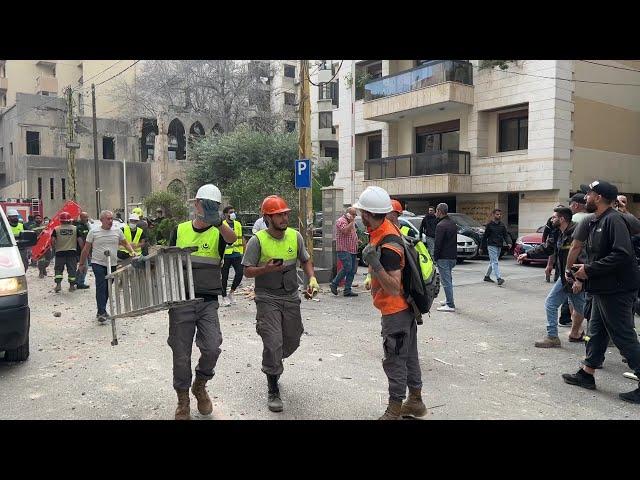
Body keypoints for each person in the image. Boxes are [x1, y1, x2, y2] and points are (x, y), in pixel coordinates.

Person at [561, 180, 640, 404]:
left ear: (598, 197)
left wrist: (590, 269)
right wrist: (581, 270)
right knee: (595, 331)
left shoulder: (614, 220)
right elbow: (595, 255)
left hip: (617, 289)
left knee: (623, 335)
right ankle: (587, 373)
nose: (585, 197)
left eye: (589, 194)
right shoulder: (597, 220)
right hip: (602, 288)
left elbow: (622, 254)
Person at [166, 184, 237, 420]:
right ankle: (183, 399)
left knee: (212, 346)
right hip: (181, 300)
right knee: (181, 353)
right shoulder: (180, 229)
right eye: (203, 204)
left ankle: (201, 383)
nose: (205, 208)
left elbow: (232, 237)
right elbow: (166, 259)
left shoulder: (219, 231)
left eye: (212, 205)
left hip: (207, 300)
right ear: (195, 204)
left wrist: (217, 220)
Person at [242, 195, 318, 413]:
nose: (285, 217)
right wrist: (265, 269)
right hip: (267, 298)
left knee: (292, 339)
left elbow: (305, 260)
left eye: (285, 213)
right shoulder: (257, 241)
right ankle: (273, 386)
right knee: (273, 341)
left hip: (291, 297)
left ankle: (274, 361)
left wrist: (311, 279)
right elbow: (247, 271)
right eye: (279, 215)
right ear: (268, 217)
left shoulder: (295, 237)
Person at [355, 186, 426, 420]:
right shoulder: (385, 227)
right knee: (410, 355)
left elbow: (393, 286)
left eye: (361, 211)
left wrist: (374, 264)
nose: (358, 215)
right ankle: (415, 401)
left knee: (395, 359)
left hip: (396, 310)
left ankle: (394, 409)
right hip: (406, 307)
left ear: (367, 213)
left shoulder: (388, 243)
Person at [519, 207, 586, 347]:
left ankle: (609, 335)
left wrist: (579, 280)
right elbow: (547, 247)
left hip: (576, 278)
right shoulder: (558, 233)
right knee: (552, 304)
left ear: (562, 219)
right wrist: (528, 254)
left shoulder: (576, 233)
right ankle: (553, 337)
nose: (552, 219)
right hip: (565, 278)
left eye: (554, 217)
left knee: (587, 310)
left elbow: (584, 258)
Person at [77, 210, 137, 324]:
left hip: (112, 264)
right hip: (98, 263)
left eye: (111, 218)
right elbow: (86, 249)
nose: (110, 221)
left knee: (107, 287)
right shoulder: (94, 232)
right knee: (101, 285)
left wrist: (132, 252)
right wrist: (81, 264)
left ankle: (101, 310)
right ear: (101, 220)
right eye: (108, 219)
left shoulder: (117, 231)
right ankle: (101, 312)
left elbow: (125, 243)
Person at [329, 206, 359, 297]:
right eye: (353, 214)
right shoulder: (341, 221)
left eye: (355, 215)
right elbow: (345, 231)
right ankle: (334, 283)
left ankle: (347, 290)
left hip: (352, 249)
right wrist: (352, 222)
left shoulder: (351, 222)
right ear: (348, 213)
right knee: (347, 267)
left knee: (352, 270)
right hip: (343, 249)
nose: (354, 216)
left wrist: (356, 240)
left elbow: (352, 233)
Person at [220, 205, 246, 307]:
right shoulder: (221, 225)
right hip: (225, 255)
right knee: (224, 277)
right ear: (226, 214)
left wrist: (244, 251)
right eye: (231, 212)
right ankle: (224, 296)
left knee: (240, 273)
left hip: (236, 253)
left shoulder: (238, 224)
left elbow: (242, 238)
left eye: (233, 211)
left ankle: (231, 292)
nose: (233, 214)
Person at [434, 203, 458, 312]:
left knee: (446, 281)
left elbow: (438, 244)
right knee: (449, 280)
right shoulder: (453, 223)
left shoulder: (441, 225)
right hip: (452, 256)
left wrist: (435, 257)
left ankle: (450, 304)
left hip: (443, 257)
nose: (435, 213)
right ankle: (449, 299)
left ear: (439, 211)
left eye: (436, 211)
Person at [50, 211, 79, 293]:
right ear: (70, 220)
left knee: (58, 270)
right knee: (72, 269)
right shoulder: (75, 228)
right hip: (72, 252)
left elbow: (52, 241)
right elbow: (80, 240)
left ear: (60, 220)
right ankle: (72, 286)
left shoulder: (56, 229)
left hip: (60, 252)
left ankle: (58, 285)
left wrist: (54, 248)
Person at [481, 208, 512, 286]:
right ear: (493, 215)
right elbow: (485, 237)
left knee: (493, 262)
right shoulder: (489, 225)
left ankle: (487, 276)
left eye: (500, 214)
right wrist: (481, 247)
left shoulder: (502, 225)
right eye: (497, 214)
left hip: (499, 245)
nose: (499, 215)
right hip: (491, 245)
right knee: (495, 262)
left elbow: (505, 235)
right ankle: (499, 278)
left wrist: (509, 242)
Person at [73, 212, 91, 289]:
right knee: (84, 266)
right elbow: (80, 241)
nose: (86, 219)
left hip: (85, 249)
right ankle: (80, 283)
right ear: (81, 217)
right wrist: (85, 252)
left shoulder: (86, 226)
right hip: (80, 250)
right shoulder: (79, 227)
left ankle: (76, 280)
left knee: (83, 266)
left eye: (87, 217)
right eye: (84, 217)